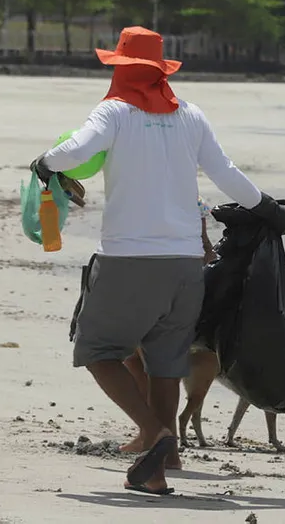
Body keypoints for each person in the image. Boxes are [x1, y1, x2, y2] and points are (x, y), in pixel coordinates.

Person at [31, 26, 285, 496]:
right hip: (185, 266)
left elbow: (75, 151)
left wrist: (44, 163)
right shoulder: (191, 116)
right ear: (160, 71)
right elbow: (227, 174)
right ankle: (162, 464)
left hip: (131, 260)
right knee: (164, 361)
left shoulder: (114, 111)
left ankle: (154, 434)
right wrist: (269, 210)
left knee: (96, 350)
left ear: (120, 68)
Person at [120, 194, 217, 457]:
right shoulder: (189, 196)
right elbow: (207, 249)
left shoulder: (153, 192)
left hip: (154, 282)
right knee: (146, 364)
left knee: (147, 363)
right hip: (179, 283)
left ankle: (156, 437)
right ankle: (156, 437)